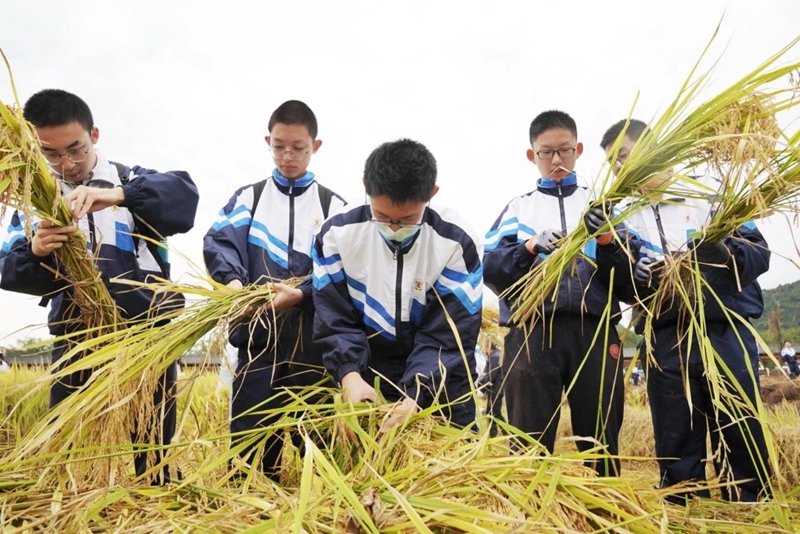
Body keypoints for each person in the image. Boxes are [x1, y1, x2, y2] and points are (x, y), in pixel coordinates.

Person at [0, 89, 198, 483]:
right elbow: (8, 268)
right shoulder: (33, 201)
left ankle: (155, 502)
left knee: (152, 447)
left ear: (95, 134)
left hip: (145, 335)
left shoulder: (129, 181)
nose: (66, 164)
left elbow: (184, 196)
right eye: (51, 154)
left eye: (76, 149)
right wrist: (36, 249)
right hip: (77, 335)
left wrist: (118, 196)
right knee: (65, 444)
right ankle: (68, 505)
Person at [599, 118, 772, 502]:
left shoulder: (710, 193)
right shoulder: (624, 214)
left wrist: (723, 252)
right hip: (665, 339)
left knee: (740, 434)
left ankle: (748, 509)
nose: (619, 169)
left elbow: (759, 253)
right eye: (612, 164)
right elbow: (623, 284)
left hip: (723, 330)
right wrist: (618, 256)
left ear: (654, 147)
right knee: (676, 443)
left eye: (624, 156)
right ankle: (685, 512)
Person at [203, 100, 347, 481]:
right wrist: (235, 286)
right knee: (250, 459)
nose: (288, 156)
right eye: (279, 146)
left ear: (315, 147)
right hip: (257, 341)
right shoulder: (248, 198)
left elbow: (343, 273)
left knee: (320, 457)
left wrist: (303, 295)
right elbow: (218, 243)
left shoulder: (336, 208)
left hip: (311, 347)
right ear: (268, 141)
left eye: (298, 147)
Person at [483, 110, 625, 476]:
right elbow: (489, 267)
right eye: (547, 153)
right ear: (532, 156)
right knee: (528, 440)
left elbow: (626, 277)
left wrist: (607, 239)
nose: (557, 160)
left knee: (601, 441)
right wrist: (528, 247)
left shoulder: (602, 204)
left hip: (594, 330)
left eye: (564, 150)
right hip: (532, 331)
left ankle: (606, 512)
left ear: (578, 150)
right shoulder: (518, 208)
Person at [313, 138, 482, 431]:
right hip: (368, 370)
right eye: (381, 216)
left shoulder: (456, 243)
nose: (393, 228)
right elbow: (334, 317)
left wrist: (416, 395)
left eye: (407, 219)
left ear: (432, 194)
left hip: (442, 377)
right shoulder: (336, 235)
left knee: (452, 461)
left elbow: (447, 335)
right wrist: (349, 374)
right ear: (367, 189)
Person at [475, 343, 505, 435]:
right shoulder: (494, 355)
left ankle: (504, 431)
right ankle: (495, 433)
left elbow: (492, 375)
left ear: (488, 347)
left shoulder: (495, 356)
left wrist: (482, 386)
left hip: (495, 389)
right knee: (491, 412)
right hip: (494, 389)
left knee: (494, 413)